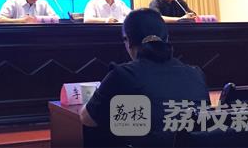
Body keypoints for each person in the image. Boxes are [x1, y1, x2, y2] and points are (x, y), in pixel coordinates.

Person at [80, 8, 209, 146]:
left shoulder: (122, 75)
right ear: (166, 38)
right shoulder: (195, 73)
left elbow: (88, 119)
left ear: (127, 41)